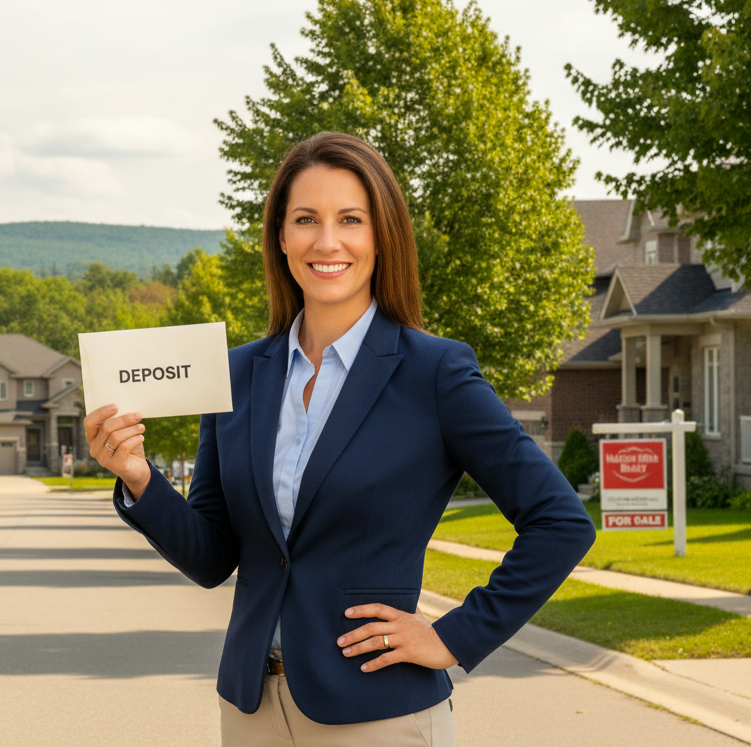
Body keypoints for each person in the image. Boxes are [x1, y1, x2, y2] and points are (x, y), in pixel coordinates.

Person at [84, 132, 596, 746]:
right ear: (280, 237)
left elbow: (561, 521)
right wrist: (140, 478)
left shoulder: (435, 373)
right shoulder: (239, 374)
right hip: (251, 712)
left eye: (350, 219)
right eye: (306, 219)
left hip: (377, 714)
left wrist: (453, 635)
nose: (327, 241)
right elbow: (214, 557)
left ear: (381, 236)